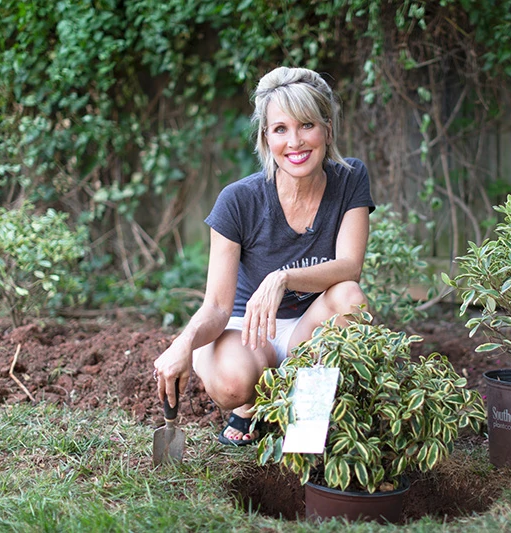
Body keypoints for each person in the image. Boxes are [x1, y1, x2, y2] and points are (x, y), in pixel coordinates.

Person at [152, 66, 375, 445]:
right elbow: (218, 307)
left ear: (327, 130)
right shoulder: (239, 200)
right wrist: (184, 342)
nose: (295, 142)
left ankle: (304, 426)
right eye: (280, 129)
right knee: (234, 382)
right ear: (265, 137)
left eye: (307, 125)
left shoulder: (349, 177)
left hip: (308, 329)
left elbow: (349, 266)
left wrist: (282, 278)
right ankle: (249, 408)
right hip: (247, 330)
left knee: (350, 298)